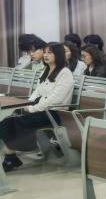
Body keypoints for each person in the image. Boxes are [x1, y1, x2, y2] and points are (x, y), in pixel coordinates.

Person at [0, 43, 74, 172]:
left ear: (58, 54)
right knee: (6, 121)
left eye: (50, 52)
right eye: (45, 52)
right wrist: (28, 104)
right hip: (40, 108)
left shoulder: (65, 73)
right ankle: (10, 156)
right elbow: (37, 91)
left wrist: (32, 108)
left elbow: (55, 99)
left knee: (18, 121)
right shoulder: (46, 71)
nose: (45, 55)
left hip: (53, 112)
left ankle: (9, 153)